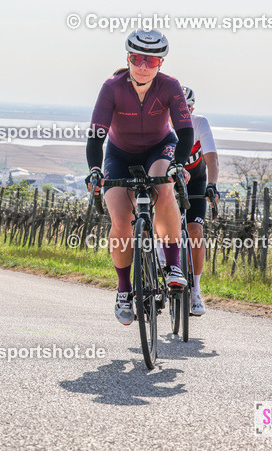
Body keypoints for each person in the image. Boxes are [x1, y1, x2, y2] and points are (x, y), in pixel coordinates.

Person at [85, 30, 193, 326]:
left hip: (160, 148)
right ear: (128, 59)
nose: (143, 66)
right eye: (137, 59)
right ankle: (123, 290)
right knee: (120, 219)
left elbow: (185, 133)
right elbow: (96, 137)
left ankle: (173, 265)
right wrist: (95, 169)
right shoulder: (112, 87)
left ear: (160, 63)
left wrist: (178, 164)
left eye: (151, 60)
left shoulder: (170, 86)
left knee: (163, 185)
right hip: (119, 155)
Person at [180, 86, 219, 316]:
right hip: (170, 181)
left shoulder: (200, 124)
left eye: (188, 109)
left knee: (195, 230)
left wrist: (212, 185)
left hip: (195, 180)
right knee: (161, 227)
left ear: (193, 109)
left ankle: (195, 290)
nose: (184, 113)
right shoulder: (164, 124)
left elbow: (212, 159)